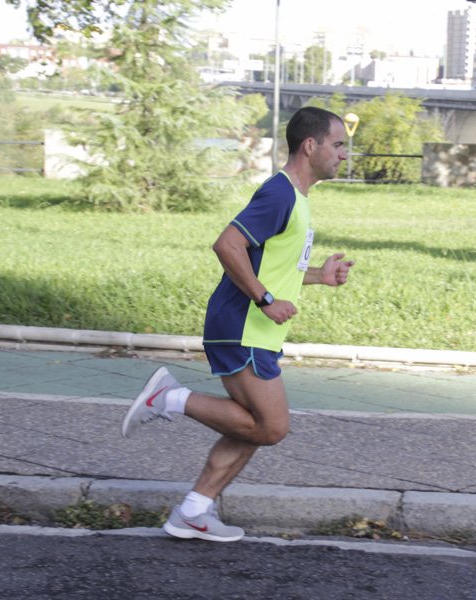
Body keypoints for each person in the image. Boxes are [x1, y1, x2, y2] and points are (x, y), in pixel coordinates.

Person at [120, 106, 355, 543]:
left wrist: (318, 276)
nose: (344, 154)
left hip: (255, 331)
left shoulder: (298, 199)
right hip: (242, 327)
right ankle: (168, 398)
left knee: (250, 426)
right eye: (338, 144)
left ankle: (193, 511)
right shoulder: (281, 194)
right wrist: (264, 299)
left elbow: (269, 263)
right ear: (311, 145)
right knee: (271, 427)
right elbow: (227, 245)